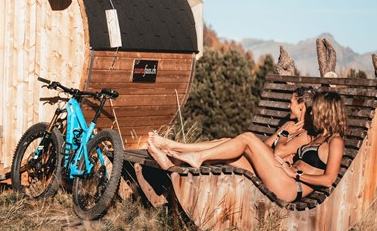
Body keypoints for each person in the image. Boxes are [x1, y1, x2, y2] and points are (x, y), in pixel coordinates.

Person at [147, 90, 347, 203]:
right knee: (228, 147)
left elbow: (329, 179)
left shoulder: (335, 142)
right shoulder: (318, 136)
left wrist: (296, 175)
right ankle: (172, 161)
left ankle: (188, 153)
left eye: (316, 111)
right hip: (283, 176)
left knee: (248, 138)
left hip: (290, 186)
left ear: (326, 112)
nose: (312, 114)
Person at [148, 85, 316, 172]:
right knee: (225, 143)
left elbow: (277, 155)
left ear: (302, 106)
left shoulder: (304, 135)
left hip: (270, 173)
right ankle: (174, 155)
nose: (288, 106)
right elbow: (265, 147)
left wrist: (285, 134)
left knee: (229, 147)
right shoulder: (288, 125)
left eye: (291, 103)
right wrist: (281, 132)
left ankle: (175, 150)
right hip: (261, 163)